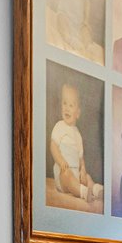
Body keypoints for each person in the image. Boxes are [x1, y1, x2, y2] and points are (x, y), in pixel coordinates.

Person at [48, 80, 99, 209]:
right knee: (67, 175)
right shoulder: (59, 126)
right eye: (64, 103)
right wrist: (61, 161)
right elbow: (53, 146)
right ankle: (83, 192)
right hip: (63, 174)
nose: (66, 108)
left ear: (78, 113)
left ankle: (95, 189)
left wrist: (83, 169)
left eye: (71, 105)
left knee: (87, 177)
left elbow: (80, 157)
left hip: (76, 173)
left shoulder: (77, 134)